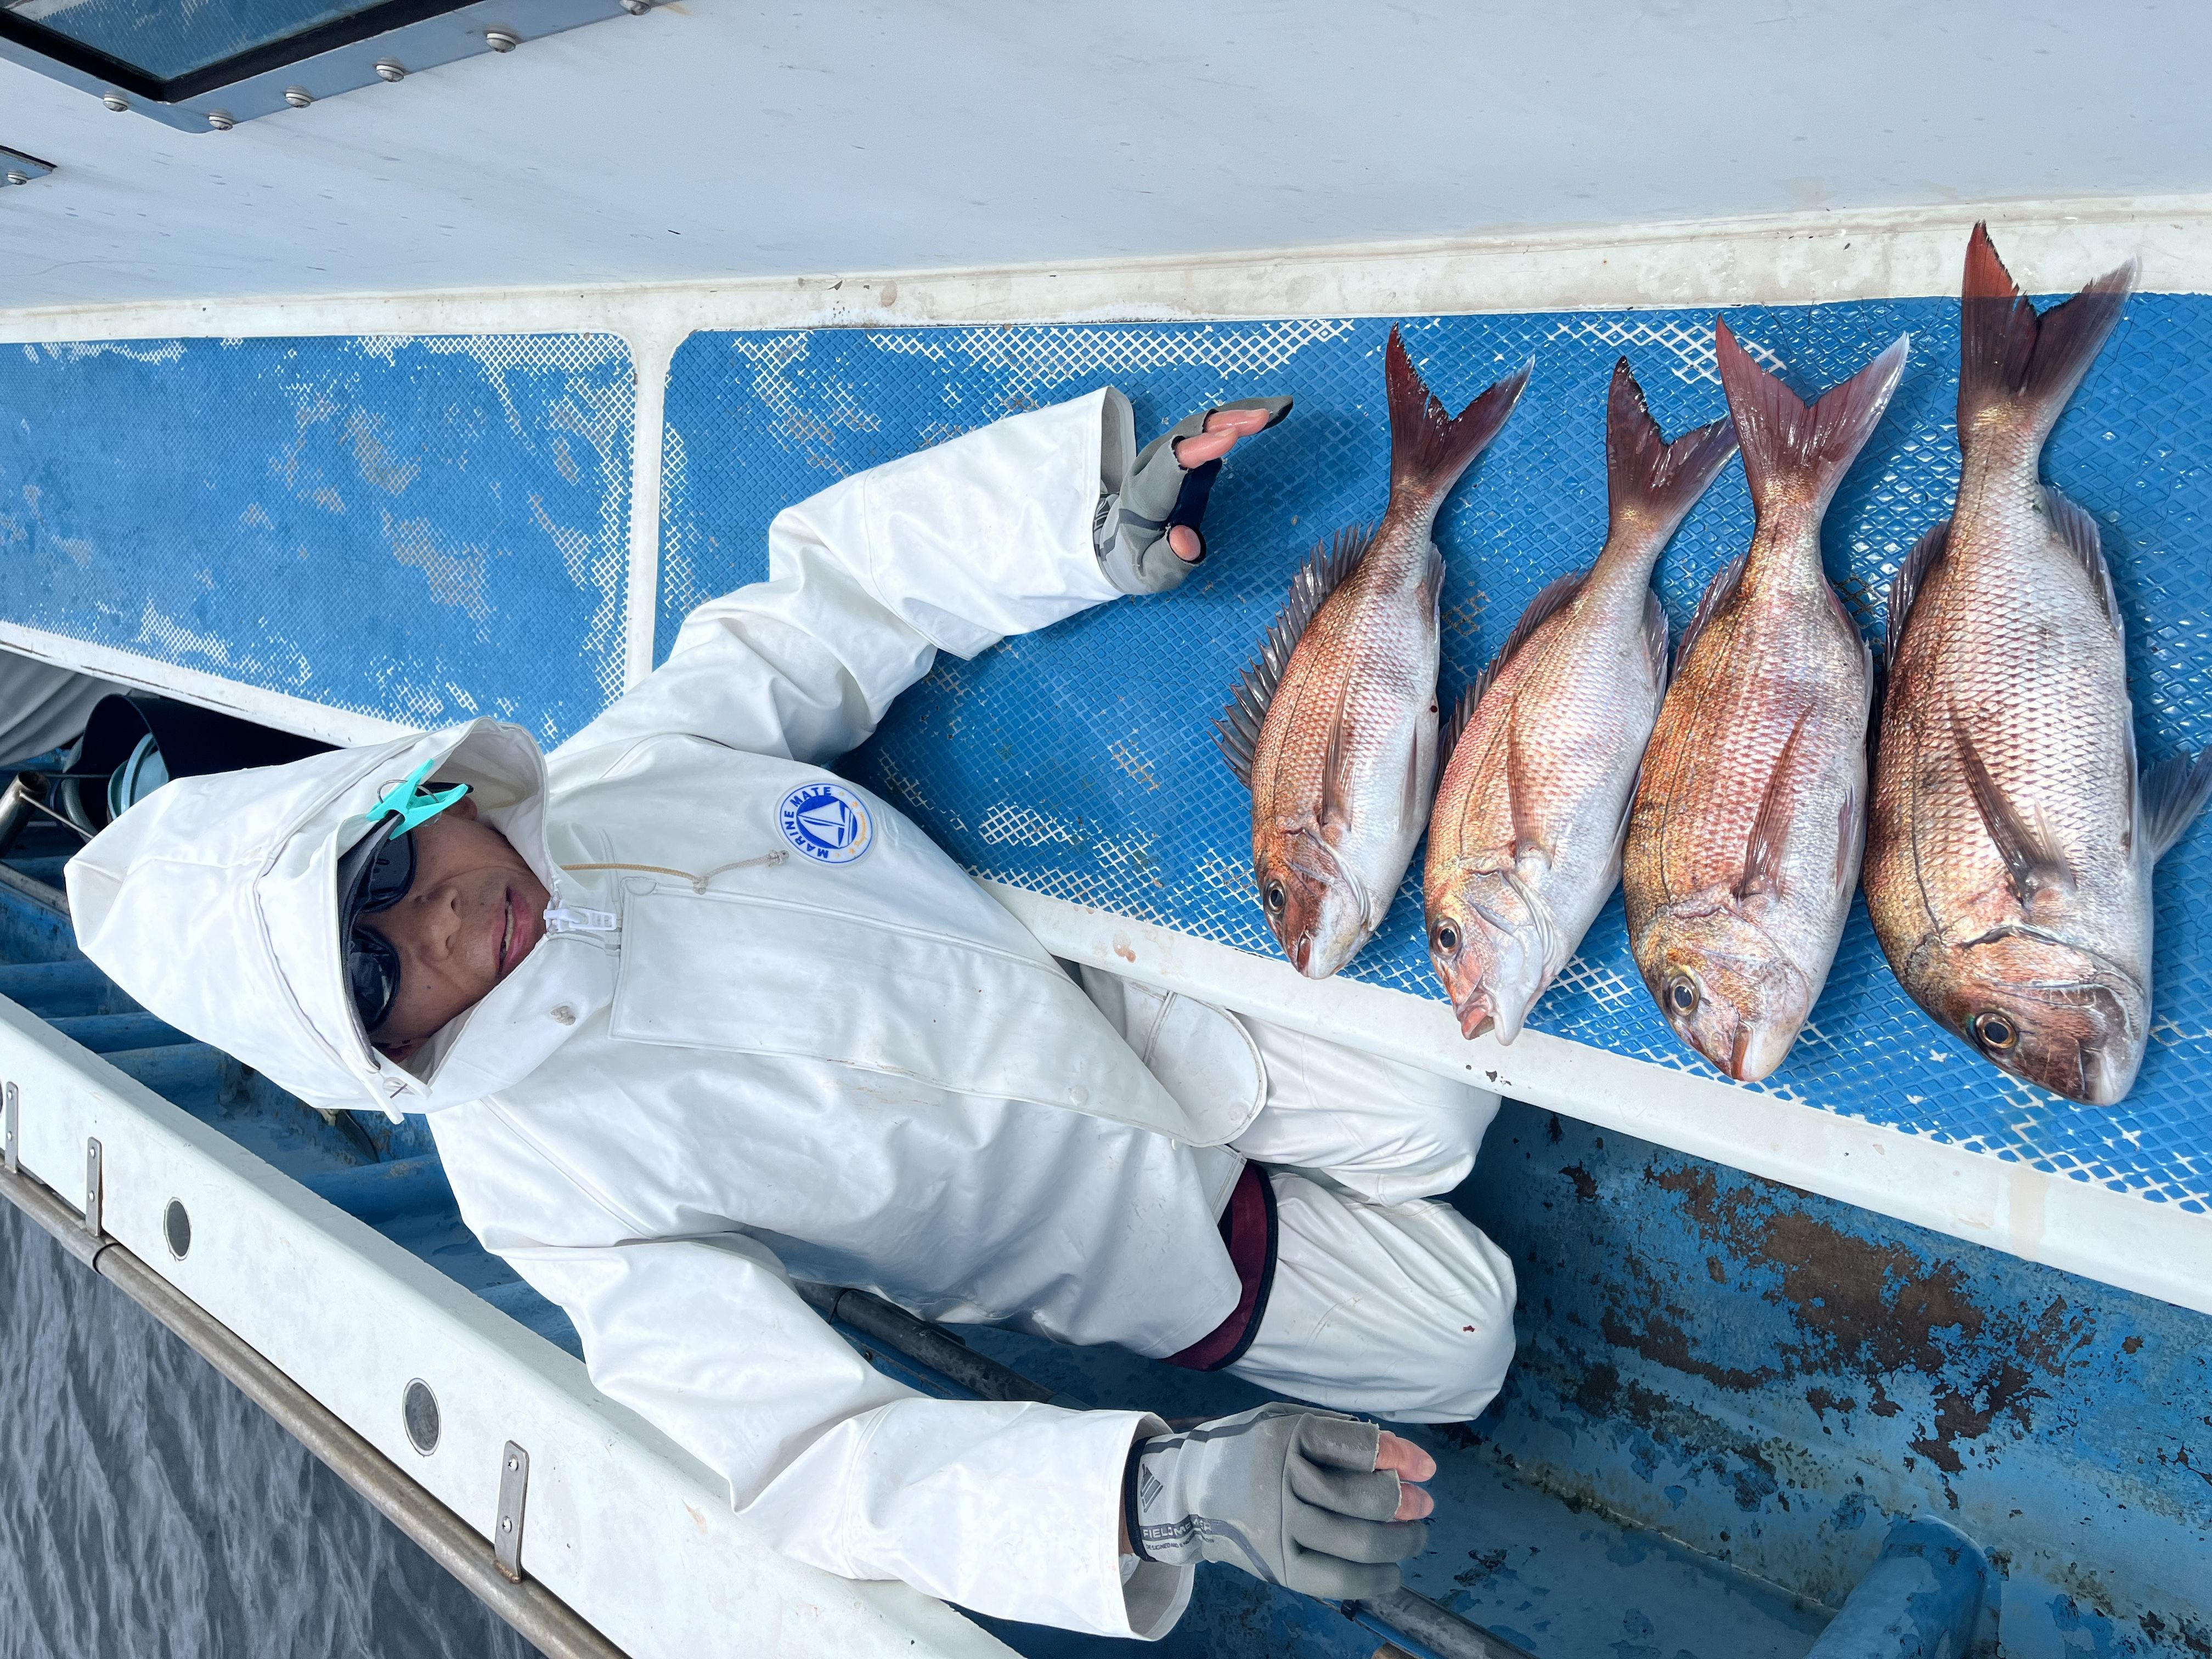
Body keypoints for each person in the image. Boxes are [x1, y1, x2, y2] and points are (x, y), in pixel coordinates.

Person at [66, 386, 1517, 1639]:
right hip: (1173, 1250)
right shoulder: (545, 1199)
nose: (437, 922)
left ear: (409, 796)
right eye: (377, 972)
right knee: (1470, 1339)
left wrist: (1076, 517)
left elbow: (833, 602)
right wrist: (1170, 1495)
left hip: (1162, 1035)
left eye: (386, 868)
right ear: (376, 1048)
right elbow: (815, 1462)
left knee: (1451, 1094)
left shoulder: (623, 778)